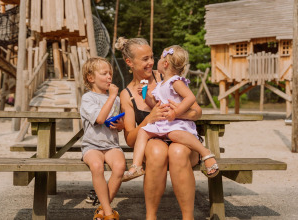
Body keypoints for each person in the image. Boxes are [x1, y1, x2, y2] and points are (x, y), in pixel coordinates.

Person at [116, 37, 202, 219]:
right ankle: (151, 216)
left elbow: (197, 112)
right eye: (144, 59)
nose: (151, 63)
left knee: (177, 151)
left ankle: (188, 217)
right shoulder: (127, 94)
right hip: (155, 143)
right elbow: (131, 139)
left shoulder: (166, 75)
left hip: (183, 140)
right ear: (129, 62)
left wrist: (176, 114)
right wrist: (149, 118)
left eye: (151, 57)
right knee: (156, 150)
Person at [122, 45, 219, 182]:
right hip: (165, 124)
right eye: (146, 58)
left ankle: (206, 153)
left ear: (165, 64)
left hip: (176, 124)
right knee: (143, 131)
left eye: (158, 58)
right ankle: (136, 166)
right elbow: (157, 106)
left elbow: (191, 98)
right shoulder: (161, 84)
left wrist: (176, 112)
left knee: (174, 134)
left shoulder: (175, 81)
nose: (154, 61)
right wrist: (147, 98)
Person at [80, 57, 125, 220]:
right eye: (104, 73)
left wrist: (120, 125)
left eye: (110, 73)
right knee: (97, 166)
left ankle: (101, 209)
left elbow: (120, 123)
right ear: (91, 78)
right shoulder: (88, 98)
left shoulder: (117, 99)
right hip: (92, 146)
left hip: (112, 145)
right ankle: (108, 213)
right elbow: (99, 119)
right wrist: (112, 97)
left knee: (120, 167)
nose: (109, 77)